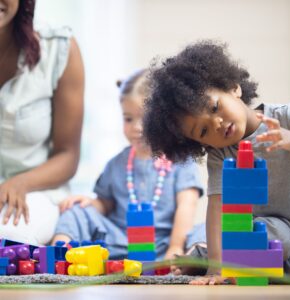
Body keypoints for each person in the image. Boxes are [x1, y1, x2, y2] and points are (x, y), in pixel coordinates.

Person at [143, 40, 290, 284]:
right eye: (203, 131)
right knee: (277, 240)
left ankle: (203, 255)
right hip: (269, 229)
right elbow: (216, 207)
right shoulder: (221, 154)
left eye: (215, 107)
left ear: (233, 87)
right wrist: (216, 270)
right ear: (200, 144)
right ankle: (213, 258)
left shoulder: (287, 117)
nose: (216, 123)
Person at [52, 69, 206, 261]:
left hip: (165, 244)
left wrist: (175, 246)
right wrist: (89, 204)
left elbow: (187, 205)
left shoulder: (181, 159)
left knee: (208, 228)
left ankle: (187, 261)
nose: (137, 127)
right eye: (128, 118)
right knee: (75, 212)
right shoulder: (117, 164)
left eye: (145, 118)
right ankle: (58, 257)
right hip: (120, 243)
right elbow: (105, 204)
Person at [0, 0, 84, 245]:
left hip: (33, 191)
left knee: (10, 240)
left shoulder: (58, 48)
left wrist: (20, 183)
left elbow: (67, 155)